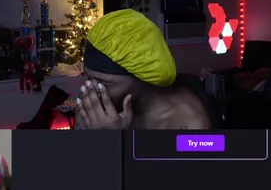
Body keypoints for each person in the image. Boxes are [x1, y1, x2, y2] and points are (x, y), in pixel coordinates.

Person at [74, 9, 216, 129]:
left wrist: (115, 140)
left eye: (103, 84)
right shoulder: (111, 106)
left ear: (141, 76)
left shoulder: (192, 124)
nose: (91, 92)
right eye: (88, 78)